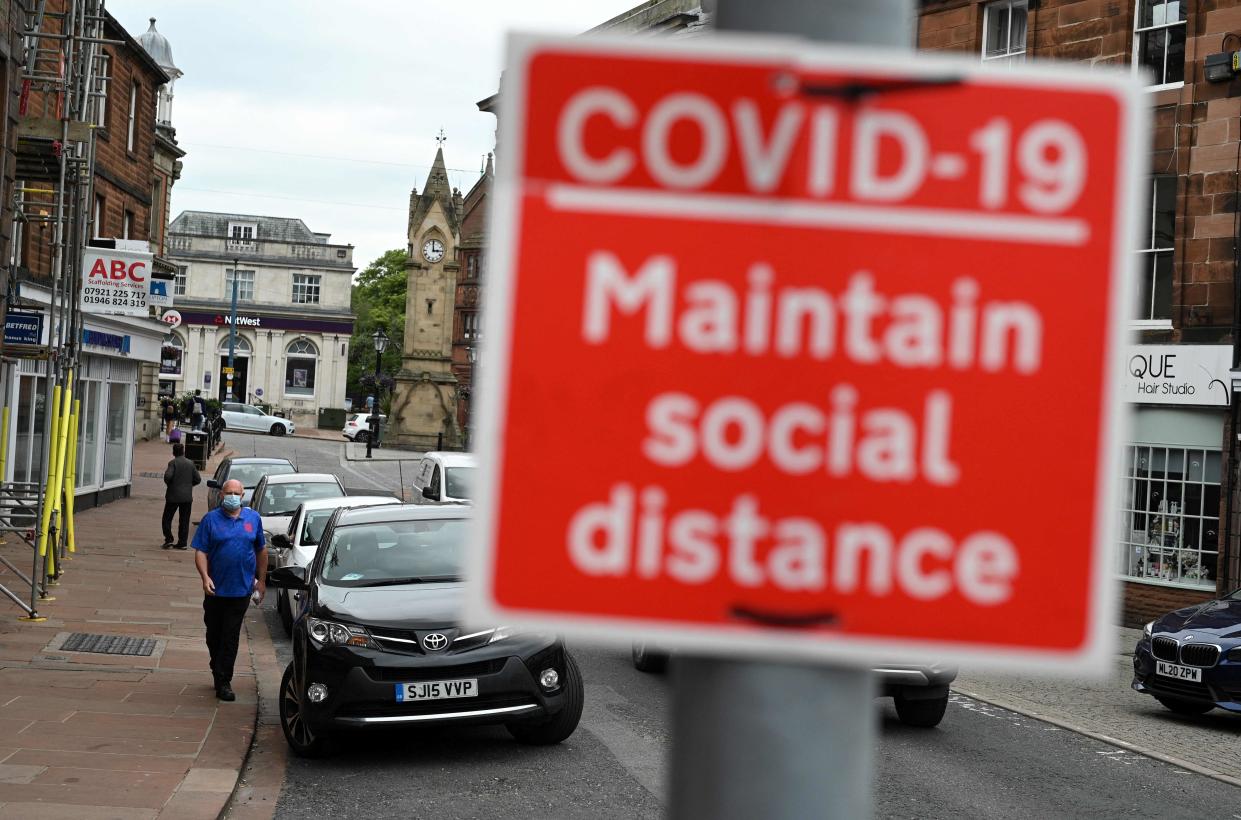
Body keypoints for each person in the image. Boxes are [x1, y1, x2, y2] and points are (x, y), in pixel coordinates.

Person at [193, 478, 267, 701]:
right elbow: (200, 551)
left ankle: (224, 681)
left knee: (230, 635)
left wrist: (261, 581)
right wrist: (205, 577)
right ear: (221, 495)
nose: (232, 496)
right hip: (215, 590)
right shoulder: (211, 520)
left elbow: (261, 551)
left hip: (241, 589)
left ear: (242, 495)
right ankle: (217, 665)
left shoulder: (253, 519)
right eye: (228, 492)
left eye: (237, 492)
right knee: (213, 634)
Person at [162, 442, 201, 550]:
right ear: (183, 452)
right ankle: (182, 542)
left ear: (174, 452)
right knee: (184, 520)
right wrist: (189, 485)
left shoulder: (172, 463)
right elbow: (198, 479)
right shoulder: (191, 463)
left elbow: (167, 476)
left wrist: (171, 484)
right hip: (187, 497)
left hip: (173, 496)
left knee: (167, 518)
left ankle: (169, 539)